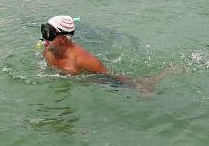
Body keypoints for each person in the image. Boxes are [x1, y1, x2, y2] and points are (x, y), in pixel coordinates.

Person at [39, 15, 174, 92]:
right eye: (43, 32)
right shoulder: (47, 50)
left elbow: (112, 78)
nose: (44, 38)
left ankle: (158, 77)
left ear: (63, 38)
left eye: (49, 35)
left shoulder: (83, 60)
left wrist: (140, 86)